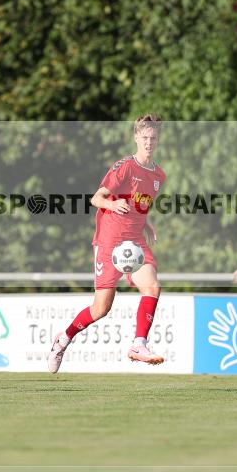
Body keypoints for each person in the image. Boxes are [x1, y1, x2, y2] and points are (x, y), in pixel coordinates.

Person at [48, 114, 166, 373]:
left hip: (134, 242)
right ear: (136, 137)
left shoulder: (158, 175)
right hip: (110, 242)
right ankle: (64, 339)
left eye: (153, 137)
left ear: (158, 139)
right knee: (101, 308)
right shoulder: (124, 167)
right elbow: (96, 198)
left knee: (153, 285)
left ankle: (139, 344)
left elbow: (138, 205)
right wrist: (112, 204)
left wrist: (146, 223)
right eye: (144, 137)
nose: (148, 142)